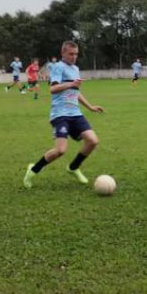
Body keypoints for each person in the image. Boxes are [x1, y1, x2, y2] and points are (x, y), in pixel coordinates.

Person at [23, 41, 105, 189]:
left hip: (76, 114)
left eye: (76, 54)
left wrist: (90, 107)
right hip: (60, 115)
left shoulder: (75, 69)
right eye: (71, 54)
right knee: (60, 150)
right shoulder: (58, 67)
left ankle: (73, 167)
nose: (74, 57)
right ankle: (33, 169)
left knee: (92, 141)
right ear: (63, 53)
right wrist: (71, 84)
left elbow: (75, 92)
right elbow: (52, 89)